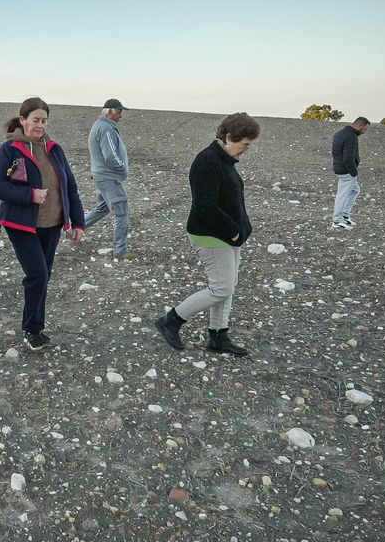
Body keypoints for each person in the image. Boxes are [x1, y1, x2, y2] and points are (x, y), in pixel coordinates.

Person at [154, 113, 260, 357]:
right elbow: (205, 206)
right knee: (221, 287)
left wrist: (242, 228)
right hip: (210, 235)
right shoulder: (208, 161)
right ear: (228, 137)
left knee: (228, 286)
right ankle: (171, 320)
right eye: (244, 145)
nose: (246, 151)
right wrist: (234, 230)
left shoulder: (223, 160)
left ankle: (219, 336)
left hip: (228, 236)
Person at [0, 97, 86, 351]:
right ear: (22, 121)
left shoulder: (55, 149)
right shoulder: (10, 150)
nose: (40, 125)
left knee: (44, 275)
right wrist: (30, 195)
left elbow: (70, 187)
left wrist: (78, 222)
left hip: (52, 223)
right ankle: (32, 330)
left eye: (44, 120)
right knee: (37, 274)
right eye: (35, 120)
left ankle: (36, 327)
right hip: (20, 224)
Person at [82, 99, 132, 257]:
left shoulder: (101, 126)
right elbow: (110, 156)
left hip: (102, 176)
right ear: (109, 112)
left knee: (102, 208)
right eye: (119, 112)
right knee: (121, 210)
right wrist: (122, 167)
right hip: (108, 177)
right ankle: (120, 250)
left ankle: (72, 229)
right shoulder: (106, 128)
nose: (120, 116)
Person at [331, 116, 369, 230]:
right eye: (365, 129)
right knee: (342, 194)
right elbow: (348, 157)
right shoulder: (351, 137)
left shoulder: (340, 133)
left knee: (355, 190)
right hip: (346, 171)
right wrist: (354, 172)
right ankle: (337, 220)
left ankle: (344, 215)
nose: (364, 132)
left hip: (340, 168)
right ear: (359, 126)